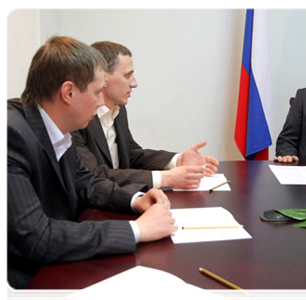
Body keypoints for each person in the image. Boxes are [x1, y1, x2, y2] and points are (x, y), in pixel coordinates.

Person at [5, 36, 178, 300]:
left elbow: (84, 181)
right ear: (69, 92)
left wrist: (136, 200)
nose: (101, 103)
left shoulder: (57, 125)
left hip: (56, 263)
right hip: (23, 281)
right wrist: (138, 230)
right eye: (97, 92)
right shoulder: (10, 135)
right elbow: (37, 238)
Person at [72, 41, 219, 190]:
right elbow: (94, 175)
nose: (134, 83)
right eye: (127, 76)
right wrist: (166, 178)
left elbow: (131, 154)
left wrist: (178, 160)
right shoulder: (77, 119)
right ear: (103, 77)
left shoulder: (119, 110)